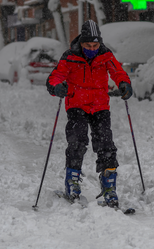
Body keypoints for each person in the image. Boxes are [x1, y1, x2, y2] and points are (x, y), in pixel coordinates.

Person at [46, 19, 133, 208]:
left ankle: (109, 187)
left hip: (100, 106)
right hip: (77, 104)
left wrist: (124, 84)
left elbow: (118, 72)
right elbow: (56, 76)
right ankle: (72, 182)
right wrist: (56, 87)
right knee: (77, 141)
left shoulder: (105, 55)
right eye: (88, 45)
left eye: (95, 45)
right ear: (81, 42)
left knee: (106, 144)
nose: (92, 48)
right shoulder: (70, 56)